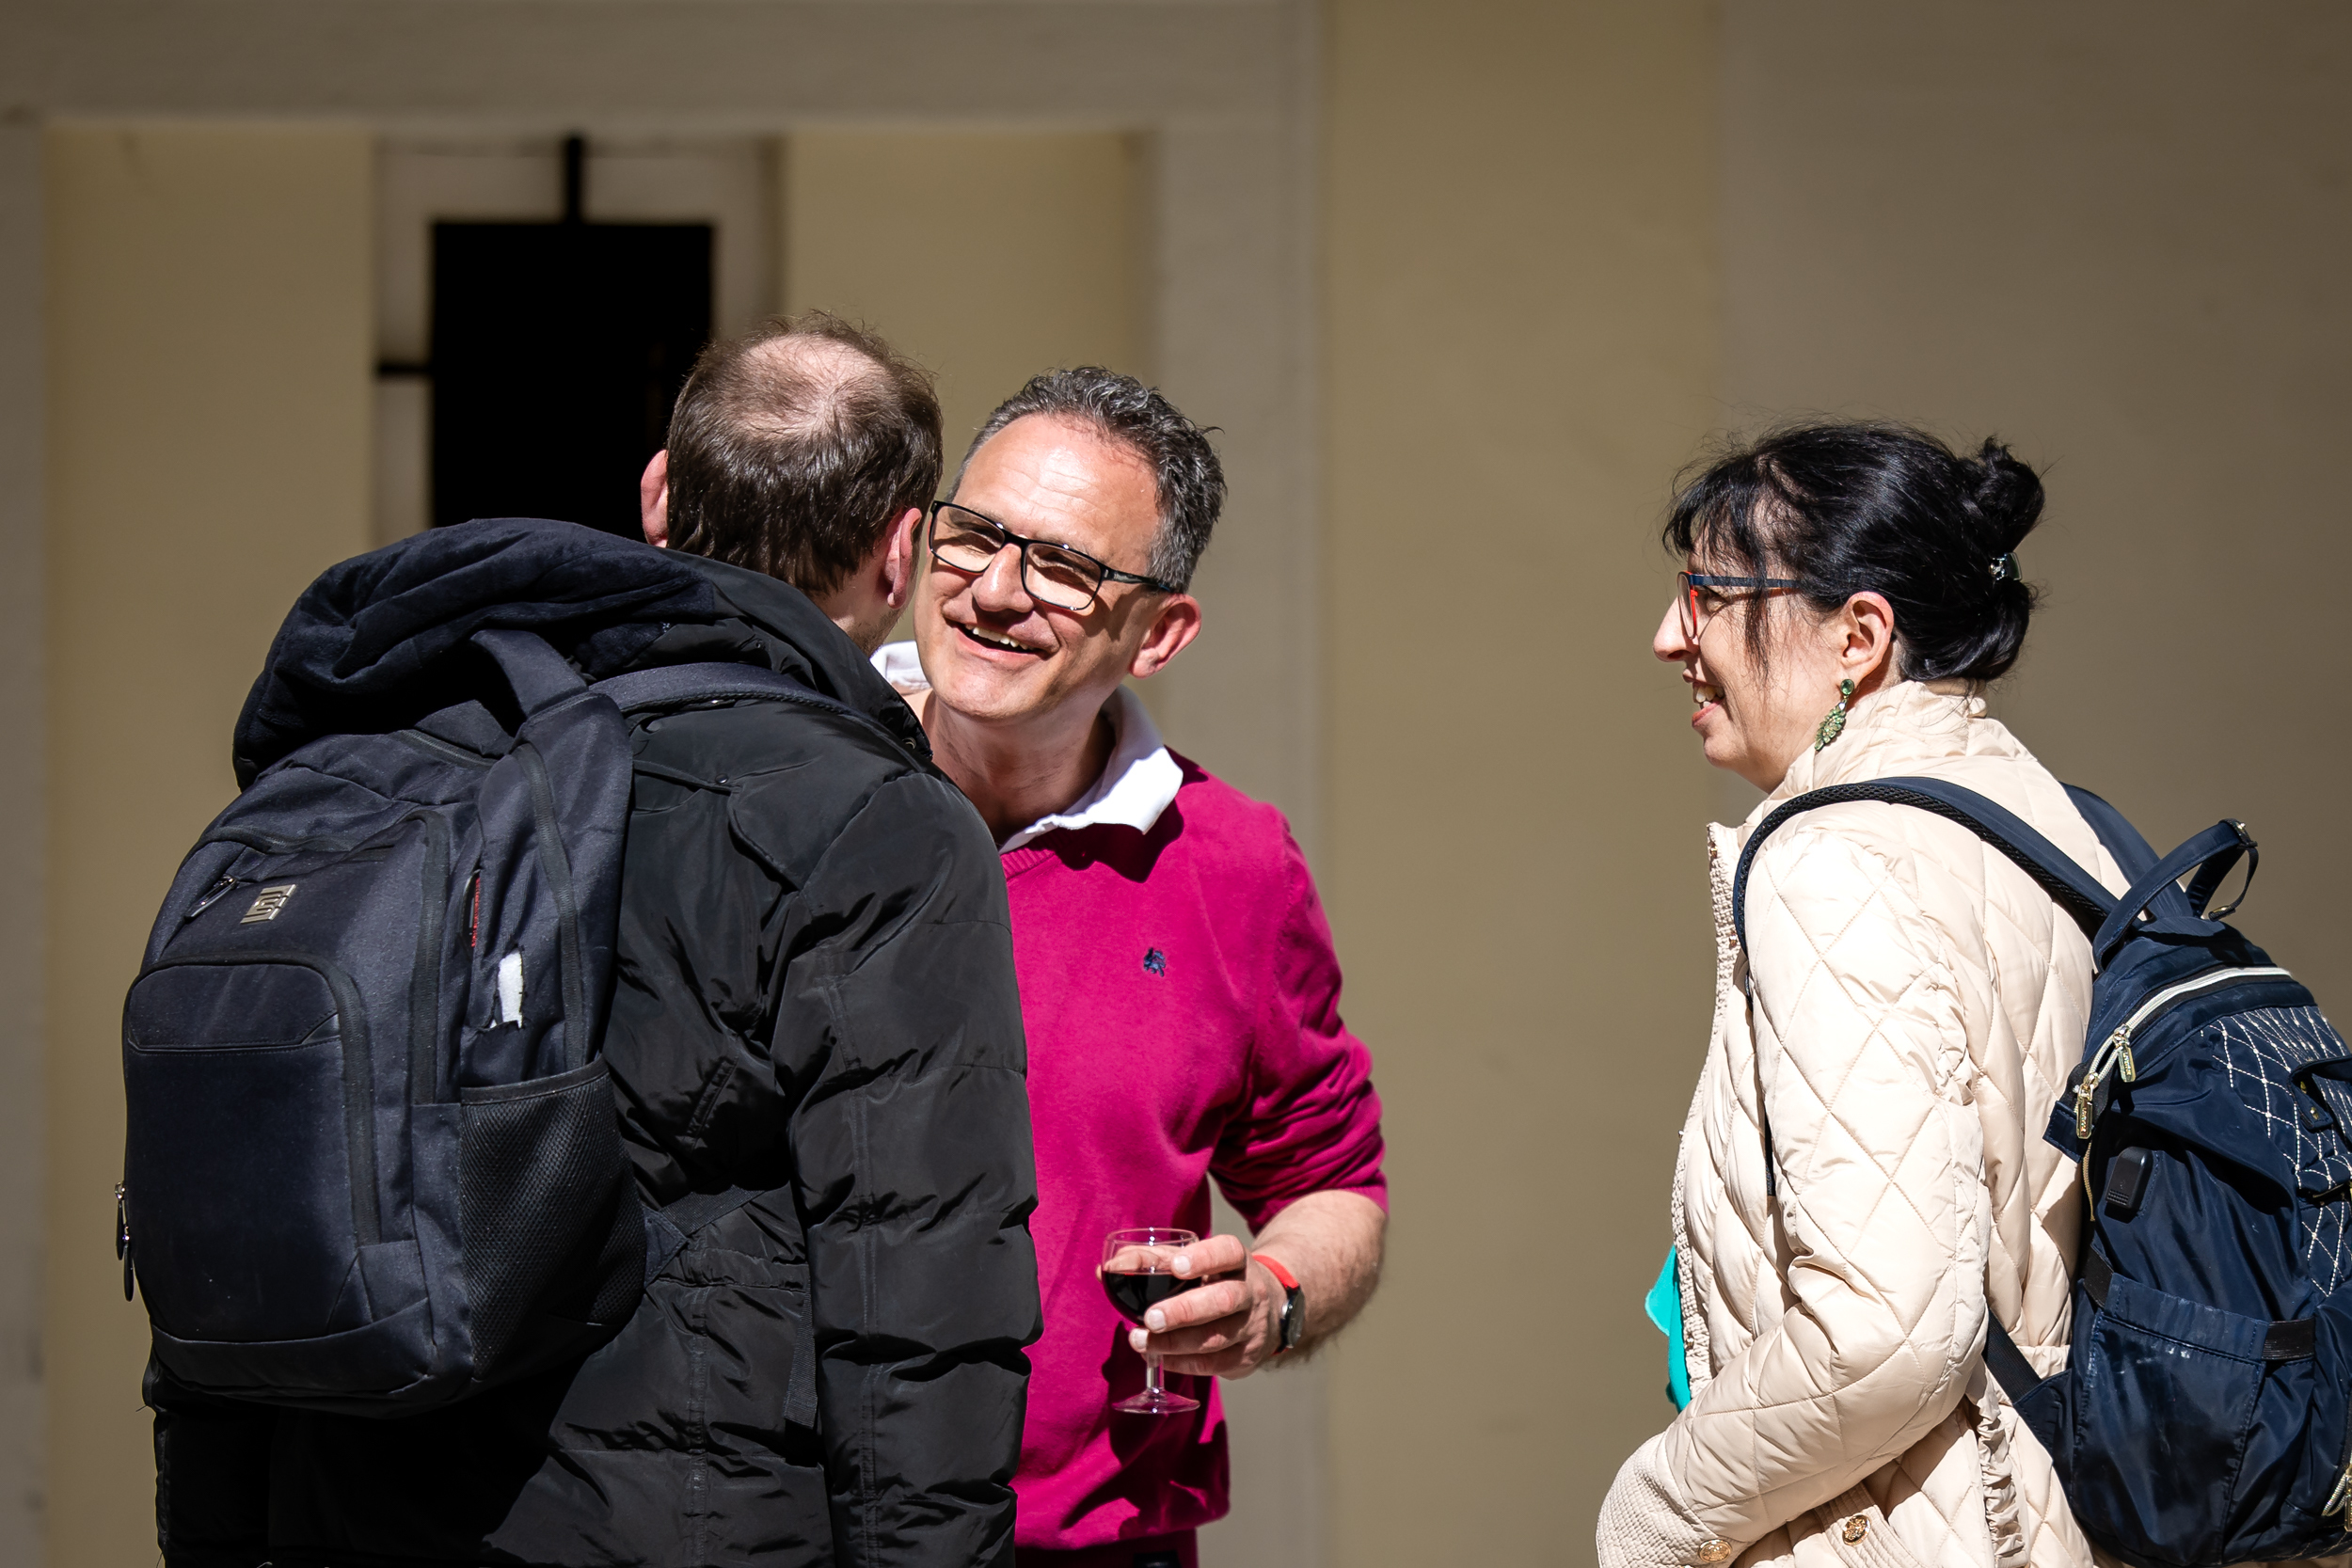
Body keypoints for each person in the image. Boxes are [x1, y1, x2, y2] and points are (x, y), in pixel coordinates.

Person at [151, 314, 1041, 1568]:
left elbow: (237, 1186)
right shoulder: (879, 822)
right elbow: (920, 1284)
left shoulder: (390, 754)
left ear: (658, 496)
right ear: (902, 552)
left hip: (341, 1508)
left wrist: (216, 1530)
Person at [874, 367, 1388, 1568]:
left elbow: (1335, 1184)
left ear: (1158, 632)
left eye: (1062, 566)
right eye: (974, 535)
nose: (994, 590)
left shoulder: (1234, 864)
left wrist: (1271, 1295)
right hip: (785, 1525)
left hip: (1096, 1542)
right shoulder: (786, 786)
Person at [1597, 424, 2128, 1568]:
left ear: (1858, 635)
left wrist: (1655, 1509)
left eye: (1706, 595)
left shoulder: (1834, 857)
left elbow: (1884, 1332)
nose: (1668, 637)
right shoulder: (2060, 829)